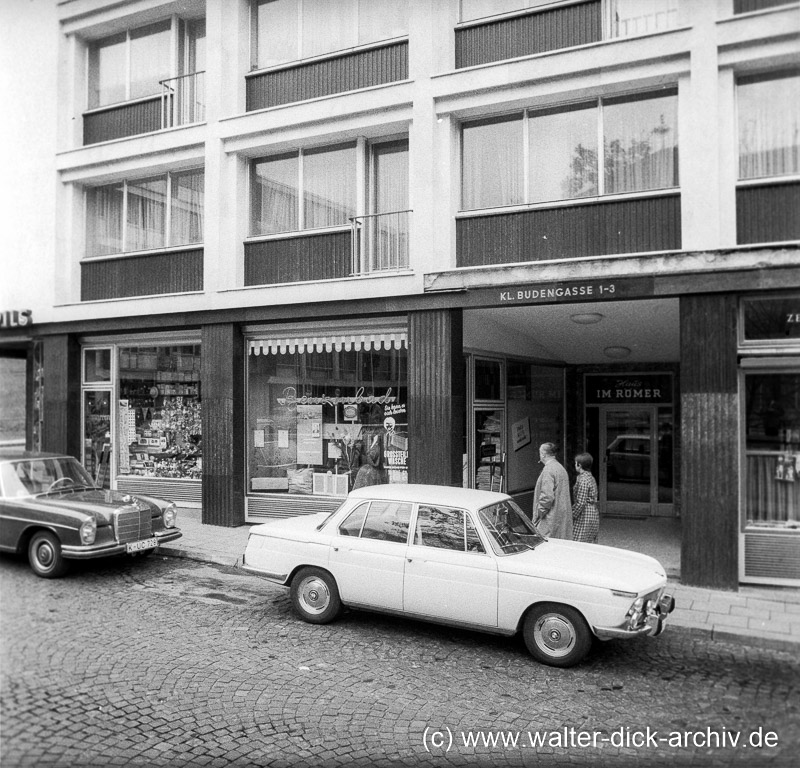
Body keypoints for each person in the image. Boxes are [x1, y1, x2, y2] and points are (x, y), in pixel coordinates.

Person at [532, 442, 572, 539]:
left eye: (540, 453)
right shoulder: (560, 468)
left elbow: (547, 497)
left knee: (545, 544)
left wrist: (538, 514)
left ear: (543, 454)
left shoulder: (548, 470)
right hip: (560, 517)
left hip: (550, 519)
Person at [572, 453, 599, 544]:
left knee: (578, 542)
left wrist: (572, 515)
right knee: (589, 542)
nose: (575, 465)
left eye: (575, 463)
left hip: (584, 514)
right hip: (593, 513)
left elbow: (581, 502)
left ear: (579, 465)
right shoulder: (591, 478)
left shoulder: (583, 479)